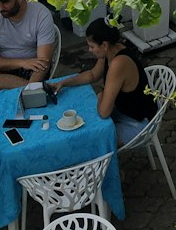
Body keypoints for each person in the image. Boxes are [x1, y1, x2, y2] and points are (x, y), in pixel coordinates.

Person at [55, 18, 157, 146]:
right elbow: (92, 74)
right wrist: (63, 82)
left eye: (92, 46)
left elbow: (104, 112)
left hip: (139, 123)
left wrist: (101, 95)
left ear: (104, 45)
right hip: (124, 110)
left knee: (90, 140)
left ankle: (99, 164)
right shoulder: (110, 51)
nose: (89, 50)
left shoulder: (118, 64)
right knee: (84, 118)